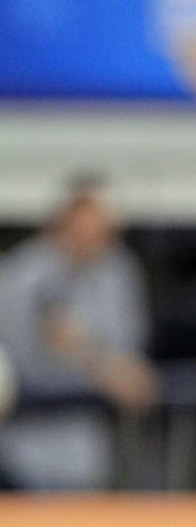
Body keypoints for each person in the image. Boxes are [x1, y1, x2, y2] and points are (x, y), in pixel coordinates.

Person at [0, 174, 159, 489]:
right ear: (64, 220)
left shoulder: (118, 272)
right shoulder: (21, 276)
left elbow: (136, 378)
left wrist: (89, 353)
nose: (95, 236)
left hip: (92, 444)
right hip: (23, 443)